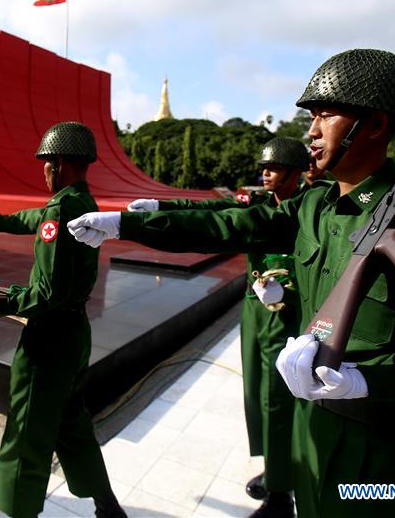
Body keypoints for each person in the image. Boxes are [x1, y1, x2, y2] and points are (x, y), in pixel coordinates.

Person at [67, 49, 395, 518]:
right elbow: (232, 224)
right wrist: (124, 225)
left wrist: (365, 380)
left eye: (326, 114)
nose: (310, 131)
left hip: (390, 458)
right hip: (311, 436)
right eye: (311, 116)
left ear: (374, 125)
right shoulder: (315, 206)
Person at [127, 136, 309, 518]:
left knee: (278, 400)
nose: (265, 173)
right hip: (255, 310)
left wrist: (288, 289)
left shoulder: (308, 207)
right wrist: (159, 205)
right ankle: (275, 470)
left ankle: (282, 496)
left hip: (285, 315)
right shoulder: (260, 202)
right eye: (264, 167)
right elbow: (214, 209)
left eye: (273, 168)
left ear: (295, 173)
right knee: (257, 393)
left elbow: (319, 265)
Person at [0, 121, 127, 518]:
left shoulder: (59, 207)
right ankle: (107, 506)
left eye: (45, 164)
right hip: (74, 335)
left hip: (48, 342)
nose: (43, 172)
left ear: (57, 164)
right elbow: (25, 221)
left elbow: (47, 293)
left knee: (27, 432)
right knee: (71, 428)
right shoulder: (83, 203)